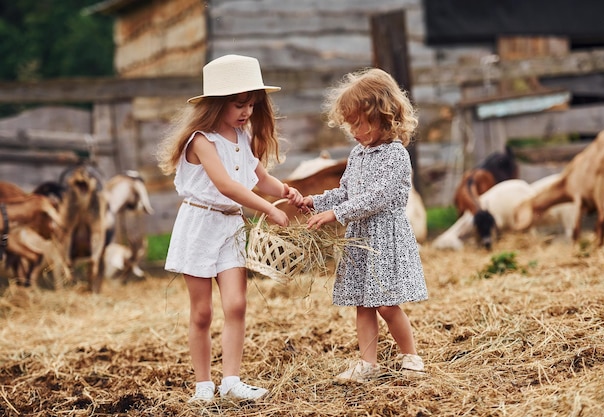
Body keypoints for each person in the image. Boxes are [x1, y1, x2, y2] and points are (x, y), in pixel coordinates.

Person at [156, 54, 303, 402]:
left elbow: (257, 177)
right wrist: (268, 208)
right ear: (216, 104)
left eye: (251, 105)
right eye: (239, 105)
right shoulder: (201, 141)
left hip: (230, 227)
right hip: (199, 225)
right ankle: (204, 385)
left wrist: (286, 193)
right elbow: (226, 185)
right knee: (203, 311)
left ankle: (232, 381)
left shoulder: (242, 136)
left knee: (236, 305)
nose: (246, 112)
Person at [301, 68, 428, 383]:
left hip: (384, 237)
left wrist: (336, 214)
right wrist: (316, 202)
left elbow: (377, 197)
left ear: (384, 116)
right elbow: (346, 191)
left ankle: (410, 355)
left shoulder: (395, 155)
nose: (354, 131)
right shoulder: (358, 154)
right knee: (362, 302)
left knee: (385, 303)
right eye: (350, 124)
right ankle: (367, 363)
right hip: (360, 238)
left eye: (359, 122)